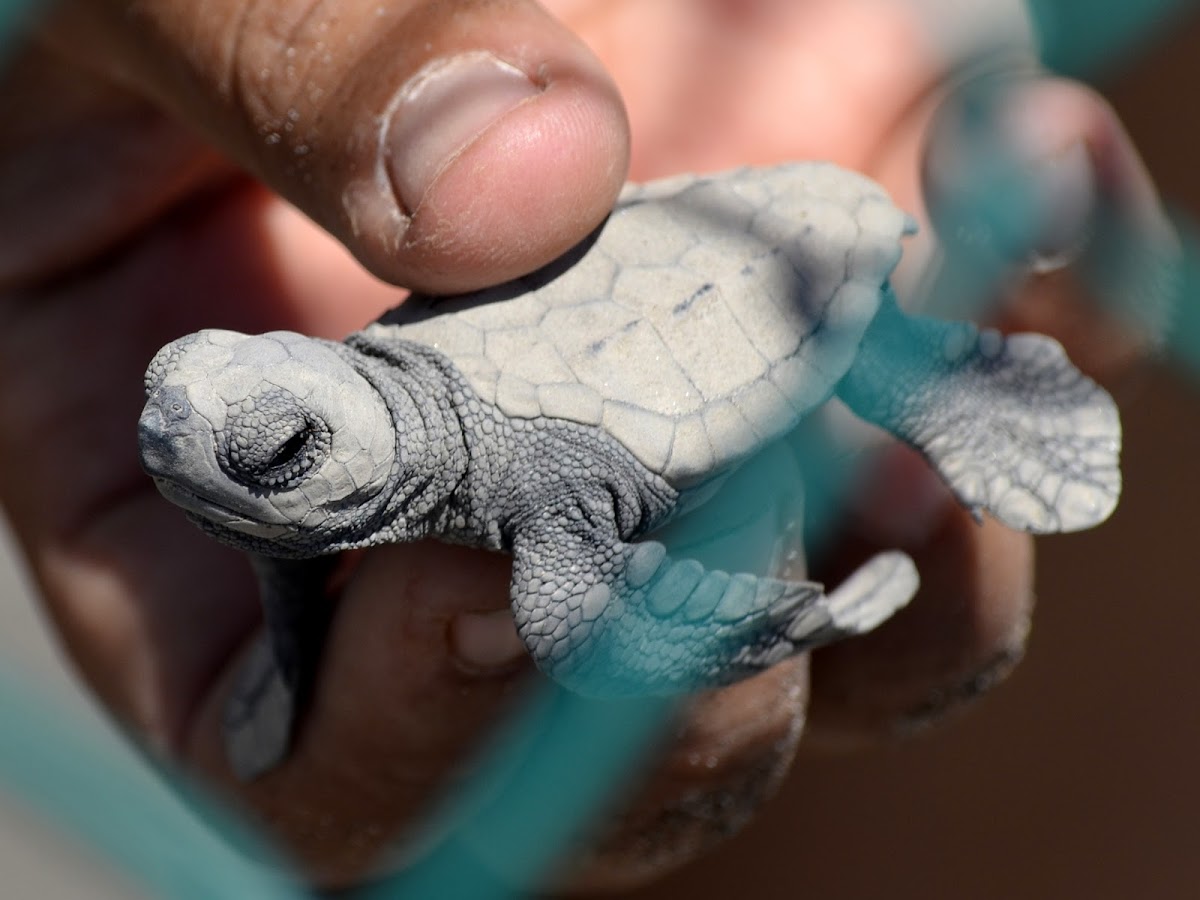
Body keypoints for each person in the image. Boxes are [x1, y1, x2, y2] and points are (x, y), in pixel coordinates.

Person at [0, 0, 1174, 891]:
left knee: (583, 619)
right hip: (728, 213)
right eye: (179, 421)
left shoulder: (517, 473)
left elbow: (579, 606)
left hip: (782, 283)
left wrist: (774, 617)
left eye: (272, 444)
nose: (191, 451)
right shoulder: (333, 466)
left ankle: (960, 393)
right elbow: (286, 543)